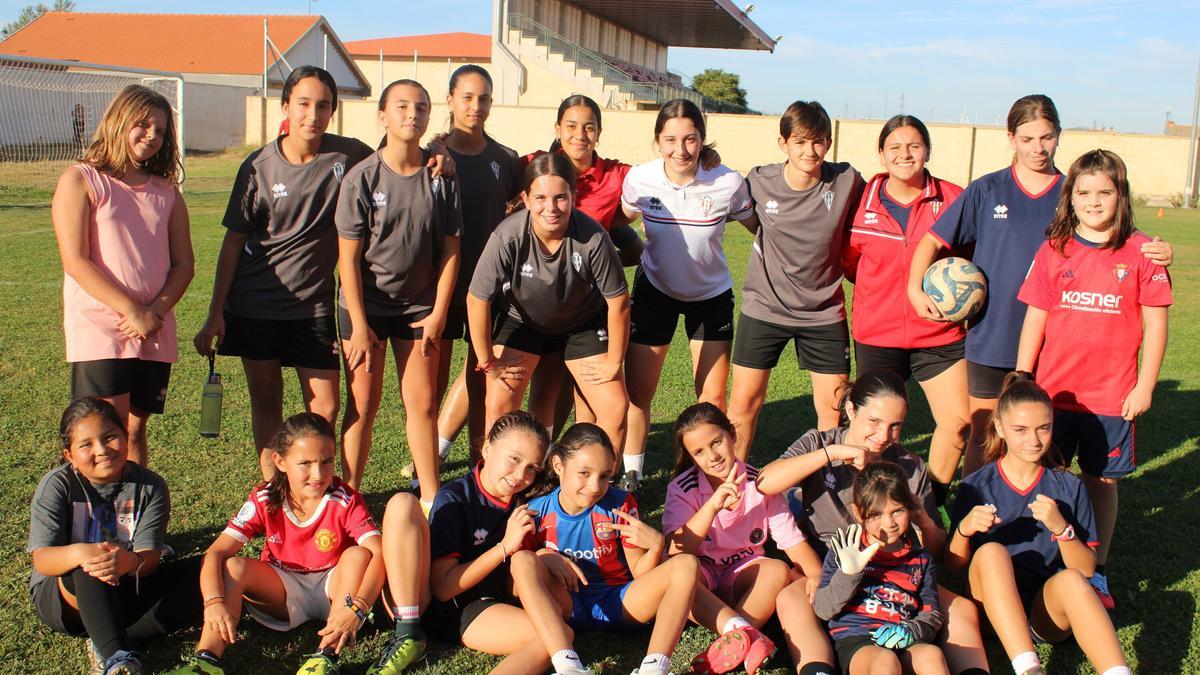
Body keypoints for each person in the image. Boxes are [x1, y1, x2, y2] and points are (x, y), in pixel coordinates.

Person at [906, 95, 1174, 478]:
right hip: (993, 338)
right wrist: (916, 288)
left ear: (1059, 137)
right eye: (1028, 138)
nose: (1038, 148)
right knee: (984, 434)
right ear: (1011, 137)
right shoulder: (987, 190)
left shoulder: (1074, 194)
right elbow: (932, 240)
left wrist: (1159, 251)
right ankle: (967, 525)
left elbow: (1117, 241)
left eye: (1046, 137)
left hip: (1054, 352)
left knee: (1037, 446)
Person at [193, 66, 373, 479]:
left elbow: (396, 152)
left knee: (325, 405)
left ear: (334, 110)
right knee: (267, 398)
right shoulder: (258, 165)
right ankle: (273, 492)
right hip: (255, 303)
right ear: (286, 106)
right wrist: (215, 312)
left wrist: (438, 152)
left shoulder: (349, 155)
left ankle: (321, 489)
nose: (314, 114)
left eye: (323, 105)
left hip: (312, 307)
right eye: (304, 104)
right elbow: (233, 242)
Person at [1015, 149, 1171, 609]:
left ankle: (1097, 568)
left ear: (1120, 196)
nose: (1094, 201)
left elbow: (1156, 325)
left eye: (1105, 192)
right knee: (1053, 478)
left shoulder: (1143, 252)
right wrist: (1024, 375)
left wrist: (1145, 386)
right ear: (1070, 197)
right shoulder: (1054, 248)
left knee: (1101, 482)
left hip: (1111, 396)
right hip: (1054, 393)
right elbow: (1036, 316)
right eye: (1084, 192)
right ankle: (1050, 561)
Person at [756, 371, 990, 675]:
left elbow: (935, 552)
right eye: (874, 422)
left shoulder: (909, 466)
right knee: (793, 599)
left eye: (895, 426)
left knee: (961, 609)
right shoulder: (821, 442)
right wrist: (833, 454)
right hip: (828, 564)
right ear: (851, 409)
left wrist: (924, 522)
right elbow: (765, 482)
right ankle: (819, 668)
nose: (883, 436)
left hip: (895, 566)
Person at [164, 413, 384, 674]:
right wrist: (213, 602)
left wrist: (357, 607)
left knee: (358, 555)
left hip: (334, 589)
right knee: (233, 566)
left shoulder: (345, 499)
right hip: (282, 592)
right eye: (305, 463)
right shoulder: (265, 498)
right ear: (280, 461)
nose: (319, 473)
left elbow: (380, 554)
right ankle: (206, 661)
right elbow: (215, 553)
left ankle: (325, 657)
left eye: (327, 461)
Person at [946, 373, 1130, 675]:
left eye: (1043, 428)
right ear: (1000, 428)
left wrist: (1062, 529)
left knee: (1071, 580)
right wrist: (965, 529)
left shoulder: (1068, 486)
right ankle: (1029, 668)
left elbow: (1086, 569)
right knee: (992, 552)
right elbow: (951, 565)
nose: (1033, 440)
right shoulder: (975, 486)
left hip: (1047, 611)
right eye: (1020, 429)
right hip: (991, 610)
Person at [52, 84, 194, 467]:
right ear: (118, 121)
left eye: (160, 130)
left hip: (152, 327)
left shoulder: (167, 193)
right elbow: (75, 259)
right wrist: (130, 309)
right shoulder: (82, 180)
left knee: (133, 430)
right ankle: (94, 523)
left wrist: (154, 311)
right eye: (142, 124)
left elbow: (184, 265)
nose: (151, 135)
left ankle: (132, 522)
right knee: (102, 432)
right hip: (103, 328)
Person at [335, 77, 462, 504]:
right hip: (363, 309)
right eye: (403, 106)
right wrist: (357, 326)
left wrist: (439, 312)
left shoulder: (441, 174)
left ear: (430, 117)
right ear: (383, 115)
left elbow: (450, 251)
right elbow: (348, 260)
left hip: (419, 308)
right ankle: (348, 500)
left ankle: (431, 498)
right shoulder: (361, 179)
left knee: (422, 404)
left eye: (421, 107)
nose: (412, 114)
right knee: (362, 406)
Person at [619, 98, 755, 494]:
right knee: (639, 392)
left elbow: (761, 229)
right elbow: (615, 221)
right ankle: (633, 474)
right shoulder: (640, 180)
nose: (681, 150)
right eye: (671, 139)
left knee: (711, 397)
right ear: (657, 142)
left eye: (690, 139)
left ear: (702, 140)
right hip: (655, 292)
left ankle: (707, 478)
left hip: (710, 297)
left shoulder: (727, 181)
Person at [368, 410, 562, 675]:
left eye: (532, 468)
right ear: (487, 449)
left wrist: (546, 554)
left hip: (483, 603)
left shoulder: (530, 495)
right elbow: (443, 588)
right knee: (402, 503)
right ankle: (407, 633)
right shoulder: (455, 498)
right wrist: (504, 547)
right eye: (514, 459)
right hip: (439, 606)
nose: (520, 475)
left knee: (556, 637)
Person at [468, 153, 630, 461]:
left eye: (560, 197)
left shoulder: (593, 237)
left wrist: (613, 361)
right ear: (526, 199)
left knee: (614, 406)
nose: (551, 208)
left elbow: (618, 301)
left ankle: (591, 489)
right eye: (541, 197)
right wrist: (488, 361)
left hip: (581, 324)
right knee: (500, 400)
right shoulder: (508, 235)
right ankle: (501, 486)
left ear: (573, 196)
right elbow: (477, 299)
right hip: (523, 322)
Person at [727, 100, 864, 458]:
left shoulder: (847, 181)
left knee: (833, 410)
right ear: (783, 144)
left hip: (822, 313)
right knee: (743, 404)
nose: (810, 150)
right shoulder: (759, 181)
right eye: (800, 142)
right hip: (765, 308)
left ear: (829, 143)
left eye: (818, 141)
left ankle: (828, 493)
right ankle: (731, 487)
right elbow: (716, 194)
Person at [842, 115, 967, 507]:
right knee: (874, 433)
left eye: (914, 146)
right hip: (877, 335)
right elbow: (848, 263)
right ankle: (869, 507)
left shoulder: (953, 197)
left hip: (939, 335)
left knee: (959, 423)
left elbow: (972, 259)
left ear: (927, 151)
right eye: (894, 147)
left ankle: (928, 505)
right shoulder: (860, 200)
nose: (905, 154)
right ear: (881, 153)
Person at [523, 423, 716, 675]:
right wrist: (542, 556)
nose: (595, 486)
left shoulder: (619, 504)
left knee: (687, 564)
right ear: (558, 465)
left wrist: (656, 547)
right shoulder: (536, 511)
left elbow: (640, 574)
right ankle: (567, 666)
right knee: (522, 560)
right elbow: (516, 582)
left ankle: (654, 667)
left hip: (621, 604)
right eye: (584, 473)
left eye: (604, 476)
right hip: (567, 606)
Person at [28, 397, 202, 675]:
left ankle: (114, 637)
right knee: (92, 562)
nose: (102, 450)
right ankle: (117, 656)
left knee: (211, 569)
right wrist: (82, 553)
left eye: (110, 437)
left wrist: (130, 563)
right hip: (65, 600)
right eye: (86, 444)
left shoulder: (151, 486)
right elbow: (43, 560)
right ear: (69, 455)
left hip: (125, 585)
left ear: (124, 435)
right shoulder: (57, 485)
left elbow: (149, 560)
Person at [664, 402, 835, 675]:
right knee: (679, 577)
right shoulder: (683, 487)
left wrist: (815, 575)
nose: (712, 456)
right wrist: (712, 507)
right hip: (701, 581)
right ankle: (744, 633)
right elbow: (676, 551)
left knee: (777, 569)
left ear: (732, 435)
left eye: (716, 442)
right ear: (691, 456)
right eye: (699, 452)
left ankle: (734, 640)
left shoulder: (760, 483)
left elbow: (792, 541)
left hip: (741, 578)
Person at [432, 64, 524, 469]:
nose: (476, 106)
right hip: (434, 287)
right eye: (467, 97)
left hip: (487, 289)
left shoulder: (505, 158)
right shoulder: (429, 153)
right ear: (450, 100)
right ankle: (426, 465)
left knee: (481, 375)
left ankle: (478, 462)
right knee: (429, 384)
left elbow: (533, 194)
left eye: (483, 98)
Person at [814, 463, 947, 675]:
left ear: (910, 506)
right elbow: (822, 609)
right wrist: (849, 574)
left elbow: (931, 614)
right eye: (876, 514)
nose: (889, 522)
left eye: (898, 511)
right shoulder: (845, 548)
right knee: (884, 662)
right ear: (858, 512)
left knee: (932, 656)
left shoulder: (921, 558)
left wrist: (911, 629)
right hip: (857, 639)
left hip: (903, 637)